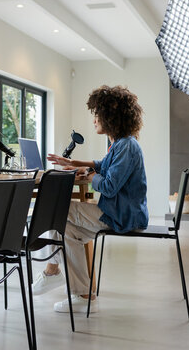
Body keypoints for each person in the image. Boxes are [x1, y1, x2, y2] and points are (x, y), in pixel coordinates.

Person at [33, 85, 148, 313]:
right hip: (119, 211)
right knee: (66, 231)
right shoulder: (121, 143)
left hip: (122, 215)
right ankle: (83, 294)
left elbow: (109, 186)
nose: (94, 119)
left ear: (110, 117)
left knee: (55, 209)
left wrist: (90, 175)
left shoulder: (126, 146)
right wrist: (76, 165)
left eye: (97, 114)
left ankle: (52, 272)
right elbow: (102, 165)